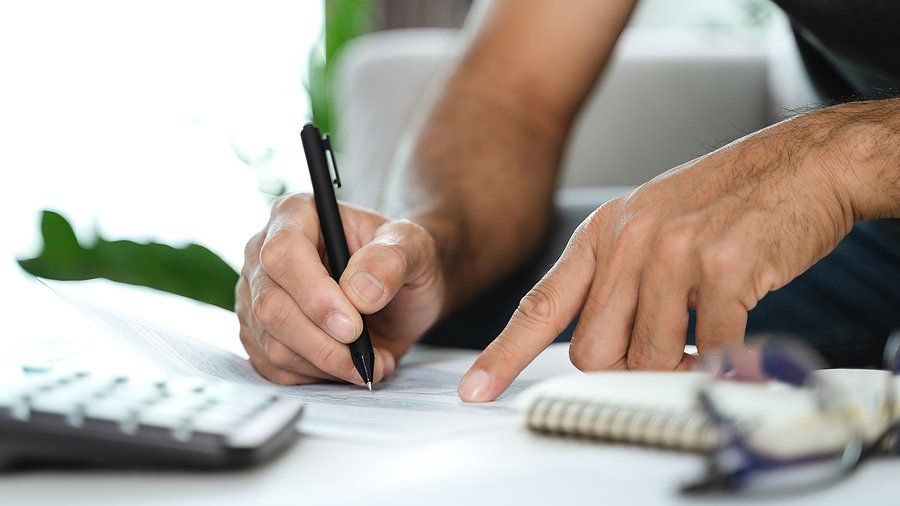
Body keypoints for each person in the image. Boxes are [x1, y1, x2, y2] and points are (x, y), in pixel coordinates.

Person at [235, 0, 900, 401]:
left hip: (857, 191)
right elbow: (509, 97)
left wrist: (852, 156)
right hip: (868, 240)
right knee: (459, 315)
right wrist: (427, 244)